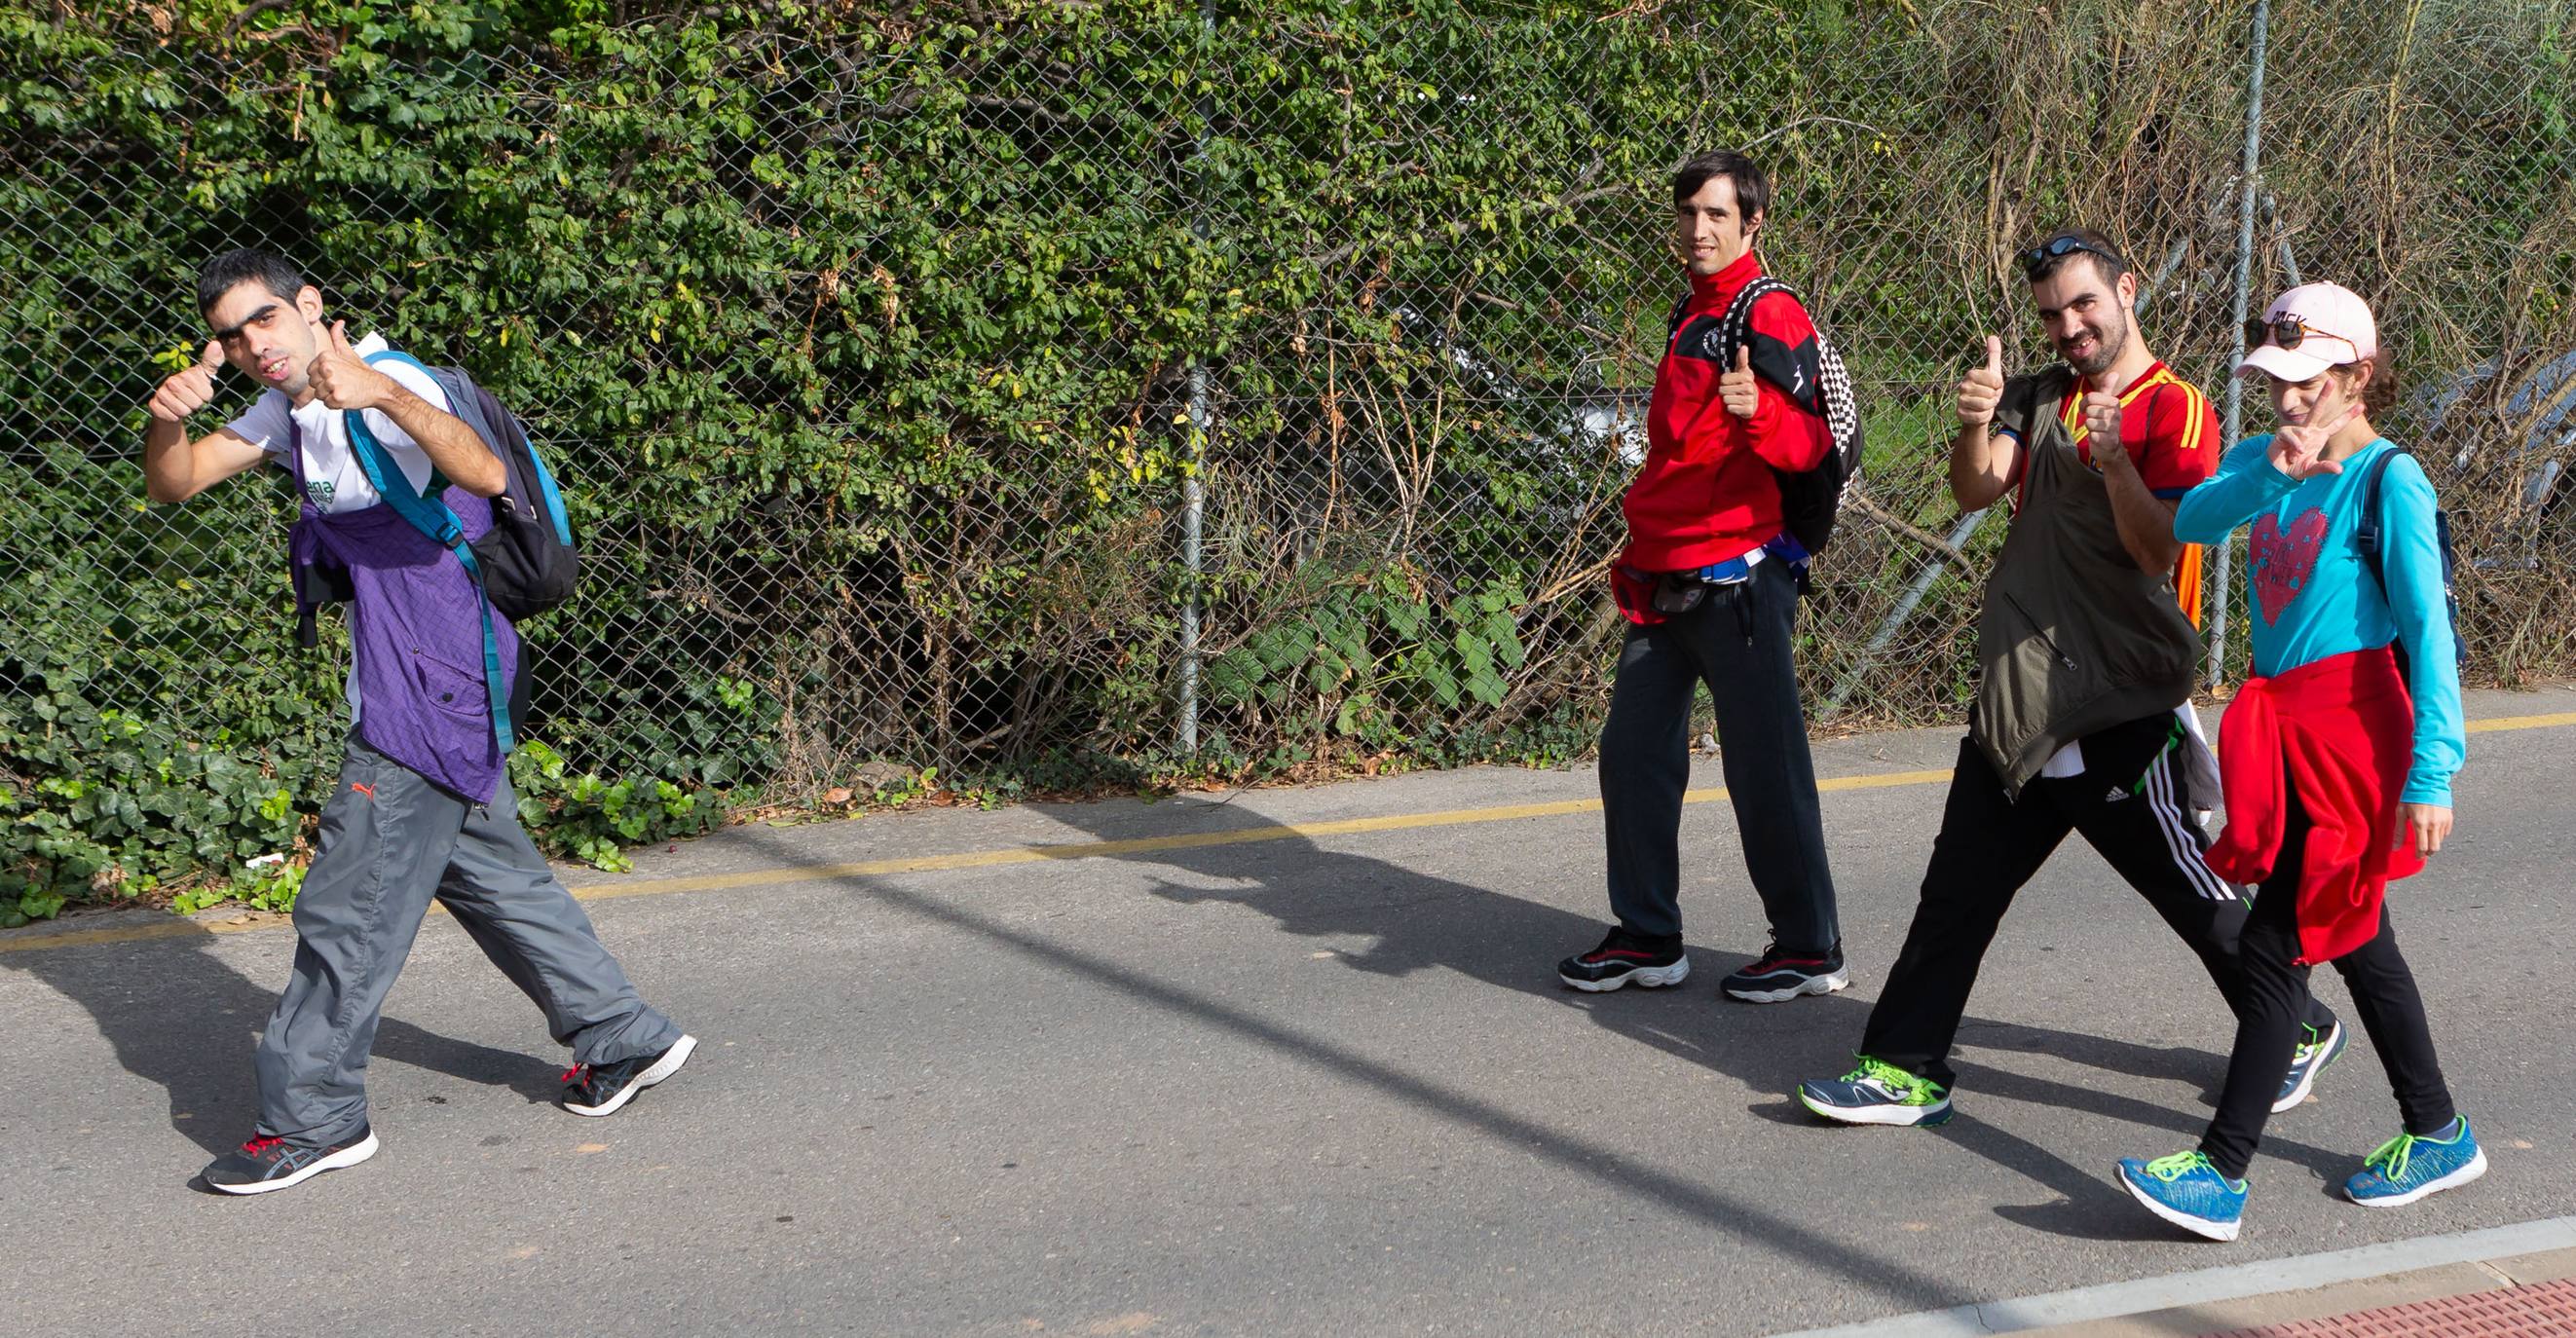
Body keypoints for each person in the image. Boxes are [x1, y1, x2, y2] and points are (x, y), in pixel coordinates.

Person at [141, 247, 694, 1194]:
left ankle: (313, 1117)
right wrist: (164, 426)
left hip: (431, 682)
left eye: (264, 320)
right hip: (417, 671)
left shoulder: (391, 378)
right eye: (232, 336)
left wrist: (378, 395)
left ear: (309, 306)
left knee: (348, 900)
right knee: (489, 876)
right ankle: (620, 1036)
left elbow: (482, 474)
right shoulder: (286, 408)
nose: (250, 346)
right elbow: (176, 483)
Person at [1796, 229, 2341, 1127]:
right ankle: (1904, 1066)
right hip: (2021, 696)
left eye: (2084, 303)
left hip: (2117, 696)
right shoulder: (2038, 391)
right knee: (1956, 890)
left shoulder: (2175, 410)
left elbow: (2161, 546)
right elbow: (1977, 489)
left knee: (2191, 891)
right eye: (2052, 313)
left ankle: (2298, 1021)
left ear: (2126, 290)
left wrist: (2116, 457)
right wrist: (1976, 421)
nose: (2069, 326)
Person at [2117, 281, 2480, 1241]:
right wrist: (2269, 474)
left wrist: (2431, 772)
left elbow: (2429, 634)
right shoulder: (2269, 459)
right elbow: (2189, 523)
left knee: (2272, 949)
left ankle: (2218, 1172)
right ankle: (2436, 1131)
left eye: (2303, 380)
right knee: (2357, 939)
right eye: (2270, 380)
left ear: (2355, 378)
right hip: (2283, 737)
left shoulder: (2388, 480)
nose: (2283, 400)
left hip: (2353, 740)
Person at [1554, 150, 1846, 1004]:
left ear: (1751, 223)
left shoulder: (1772, 312)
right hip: (1662, 572)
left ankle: (1808, 946)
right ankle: (1647, 936)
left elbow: (1815, 449)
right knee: (1632, 757)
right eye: (1688, 213)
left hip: (1741, 578)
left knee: (1765, 767)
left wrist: (1765, 418)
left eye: (1717, 215)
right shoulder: (1691, 312)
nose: (1698, 229)